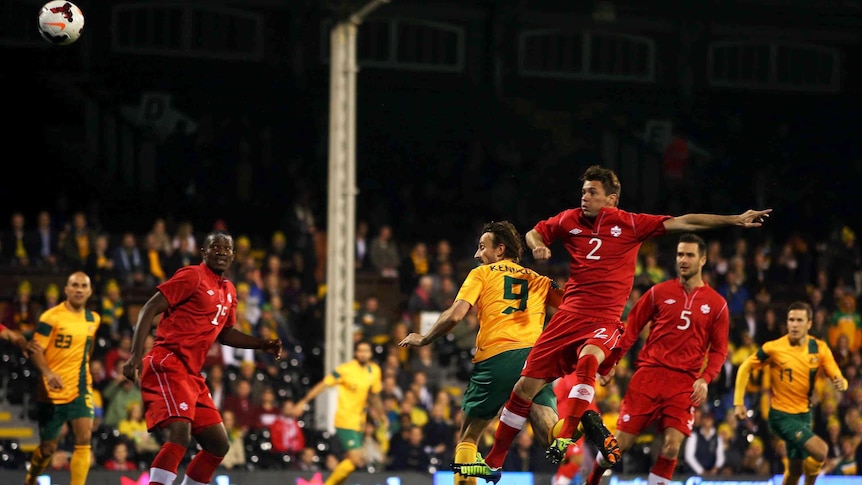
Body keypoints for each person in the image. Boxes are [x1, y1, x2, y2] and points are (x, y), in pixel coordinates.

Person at [454, 165, 770, 481]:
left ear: (611, 199)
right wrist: (537, 243)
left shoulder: (630, 224)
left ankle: (568, 430)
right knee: (523, 389)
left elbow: (686, 221)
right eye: (583, 192)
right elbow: (534, 232)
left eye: (592, 192)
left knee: (589, 359)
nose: (585, 198)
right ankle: (496, 461)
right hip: (566, 318)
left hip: (602, 320)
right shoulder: (569, 220)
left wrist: (734, 219)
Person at [399, 221, 563, 485]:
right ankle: (582, 421)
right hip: (534, 360)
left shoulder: (482, 274)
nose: (477, 255)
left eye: (481, 247)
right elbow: (573, 309)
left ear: (500, 249)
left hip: (497, 357)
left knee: (468, 438)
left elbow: (455, 315)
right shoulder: (540, 280)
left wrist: (425, 338)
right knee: (551, 437)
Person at [122, 231, 282, 485]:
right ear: (203, 253)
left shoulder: (229, 290)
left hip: (191, 375)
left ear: (233, 255)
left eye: (226, 248)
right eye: (215, 247)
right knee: (179, 435)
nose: (221, 252)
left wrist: (262, 344)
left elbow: (225, 332)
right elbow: (149, 308)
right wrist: (134, 355)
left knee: (218, 445)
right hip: (168, 362)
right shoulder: (192, 276)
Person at [584, 233, 730, 485]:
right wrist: (611, 363)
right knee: (619, 446)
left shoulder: (717, 304)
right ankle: (593, 479)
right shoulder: (658, 292)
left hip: (684, 383)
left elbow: (719, 351)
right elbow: (630, 331)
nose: (683, 260)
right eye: (680, 254)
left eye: (689, 255)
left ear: (703, 259)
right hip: (649, 376)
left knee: (672, 447)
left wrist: (705, 379)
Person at [734, 301, 848, 485]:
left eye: (799, 320)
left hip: (804, 415)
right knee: (821, 451)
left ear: (809, 323)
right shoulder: (774, 348)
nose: (794, 324)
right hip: (781, 416)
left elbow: (838, 376)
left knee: (794, 470)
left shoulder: (820, 349)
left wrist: (841, 382)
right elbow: (745, 367)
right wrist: (738, 402)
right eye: (791, 320)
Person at [24, 272, 98, 485]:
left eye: (84, 286)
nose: (79, 289)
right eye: (74, 285)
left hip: (80, 386)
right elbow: (35, 349)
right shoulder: (51, 317)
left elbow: (88, 348)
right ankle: (31, 478)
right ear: (66, 289)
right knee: (48, 448)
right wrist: (48, 373)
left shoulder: (94, 319)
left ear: (90, 291)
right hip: (51, 389)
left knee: (84, 439)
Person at [290, 340, 386, 485]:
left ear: (370, 353)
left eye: (366, 350)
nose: (363, 353)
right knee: (355, 458)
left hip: (359, 422)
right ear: (355, 352)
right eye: (360, 350)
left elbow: (374, 395)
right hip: (345, 420)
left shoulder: (374, 371)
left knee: (352, 463)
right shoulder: (345, 370)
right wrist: (303, 401)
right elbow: (324, 384)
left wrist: (381, 413)